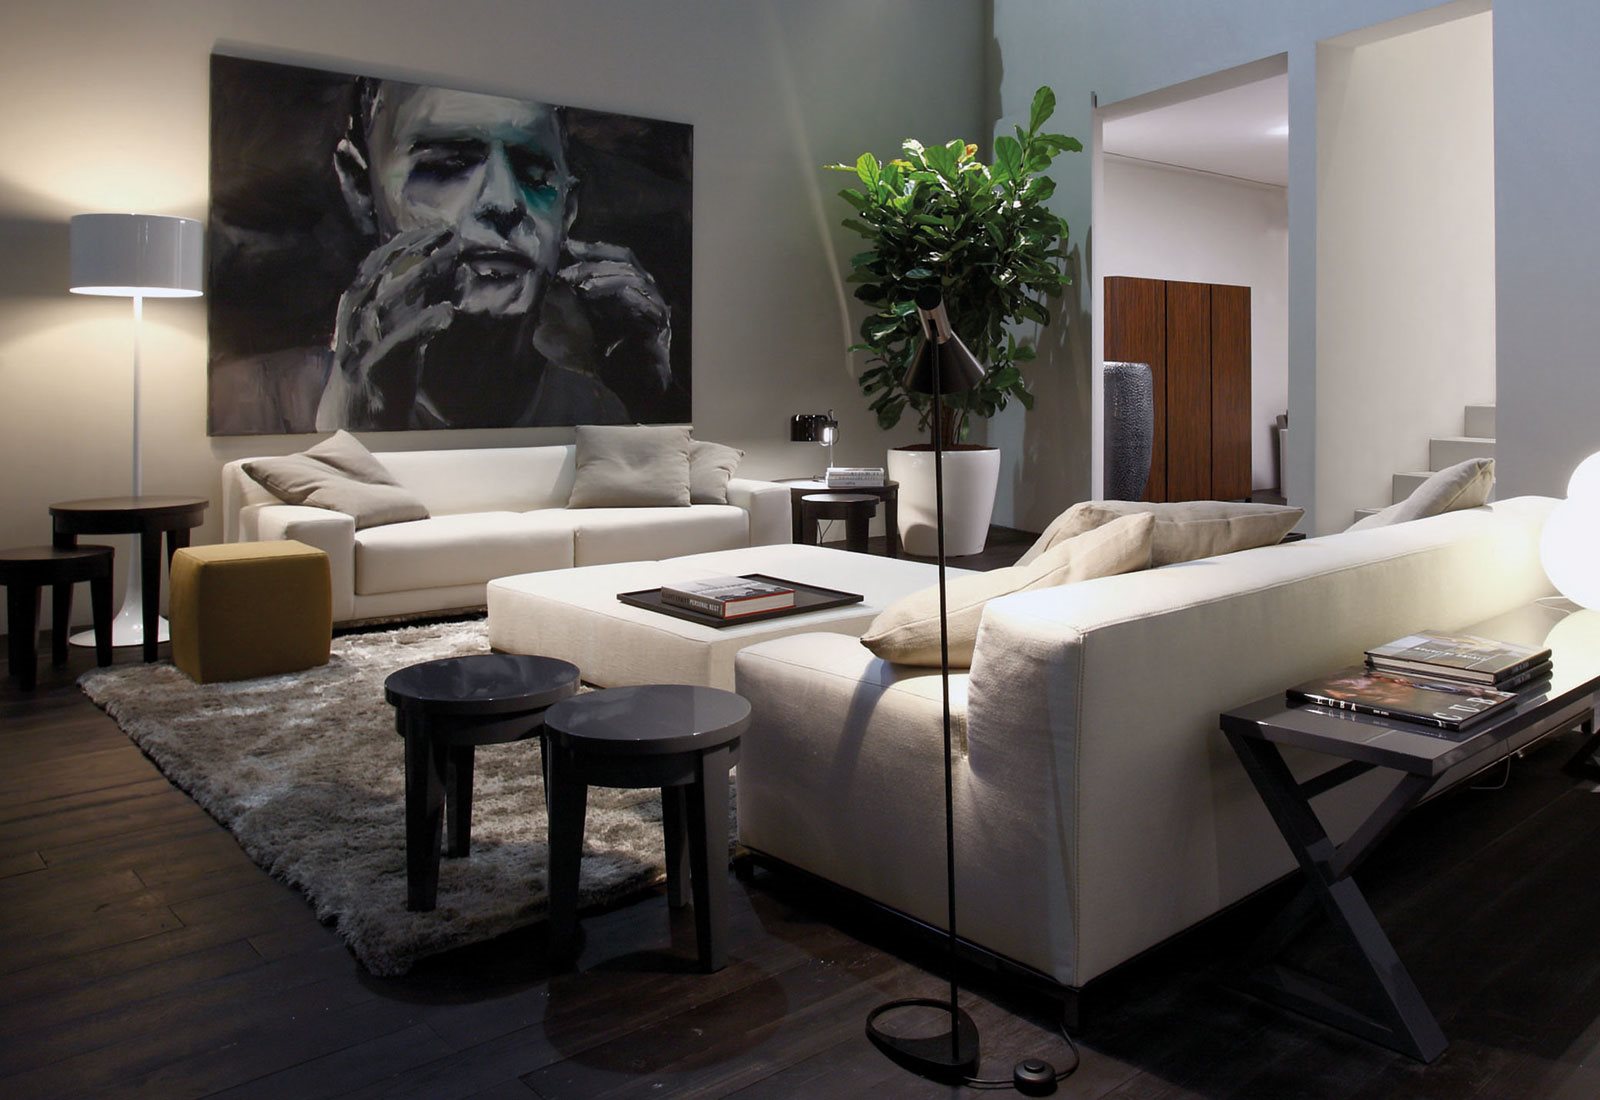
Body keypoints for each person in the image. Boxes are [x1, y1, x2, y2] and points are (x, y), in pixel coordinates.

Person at [316, 78, 674, 430]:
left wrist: (645, 396)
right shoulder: (289, 404)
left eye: (534, 175)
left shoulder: (601, 410)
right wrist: (355, 425)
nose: (504, 202)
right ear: (361, 188)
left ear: (568, 209)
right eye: (448, 165)